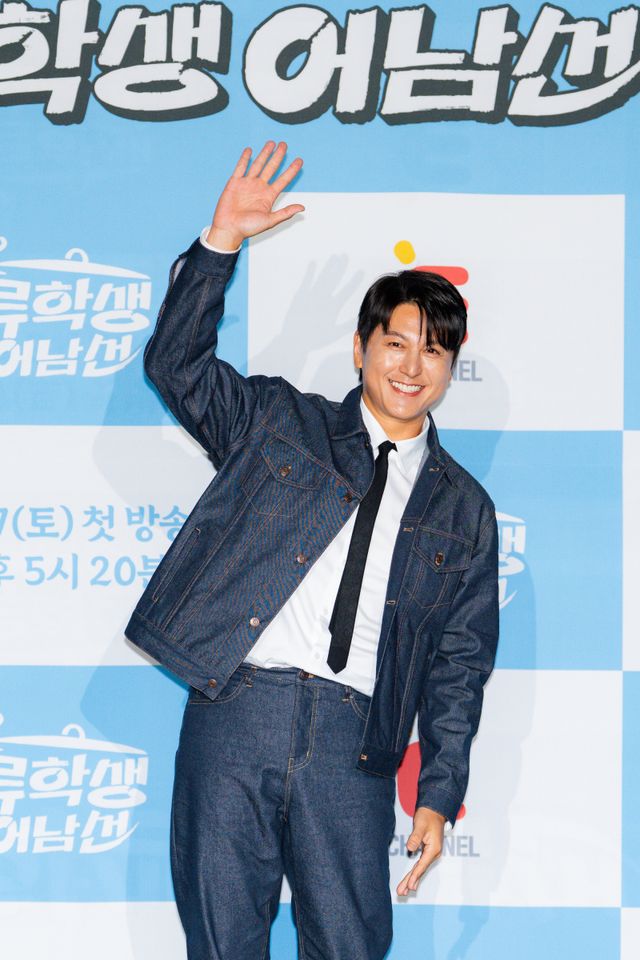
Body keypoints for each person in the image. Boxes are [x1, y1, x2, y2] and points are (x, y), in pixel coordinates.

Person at [124, 140, 499, 960]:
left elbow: (459, 667)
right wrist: (221, 243)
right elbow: (176, 366)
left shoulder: (463, 508)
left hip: (353, 741)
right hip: (237, 711)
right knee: (223, 942)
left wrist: (439, 792)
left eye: (434, 350)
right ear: (362, 347)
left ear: (449, 368)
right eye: (397, 342)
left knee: (350, 946)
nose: (413, 366)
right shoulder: (279, 423)